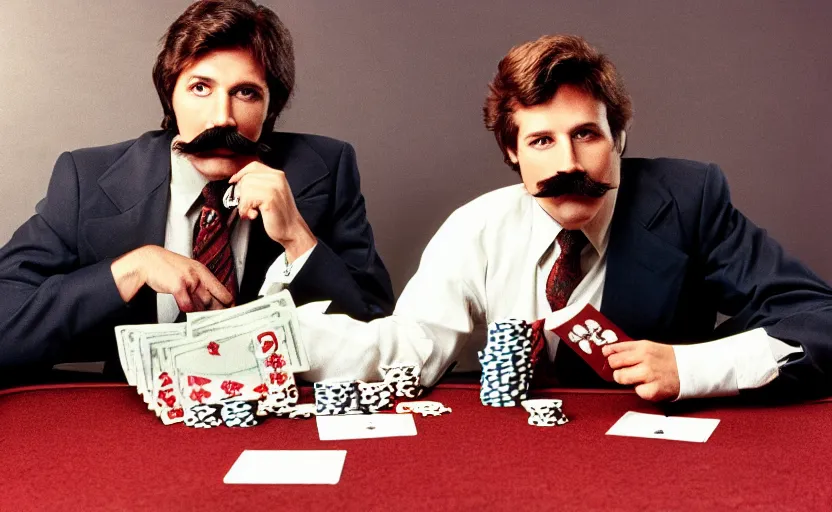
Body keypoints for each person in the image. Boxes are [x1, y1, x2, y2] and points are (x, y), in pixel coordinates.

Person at [297, 34, 832, 402]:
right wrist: (279, 343)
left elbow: (819, 320)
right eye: (541, 141)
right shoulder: (475, 229)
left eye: (586, 134)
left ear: (618, 138)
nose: (569, 164)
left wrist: (691, 369)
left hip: (654, 462)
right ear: (512, 152)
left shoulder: (686, 199)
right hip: (511, 461)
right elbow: (409, 347)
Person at [0, 0, 393, 378]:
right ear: (170, 93)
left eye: (246, 92)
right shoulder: (88, 179)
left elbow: (383, 336)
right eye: (200, 88)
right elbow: (6, 322)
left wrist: (298, 239)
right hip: (134, 425)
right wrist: (129, 270)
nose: (222, 117)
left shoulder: (325, 169)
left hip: (277, 422)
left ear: (271, 106)